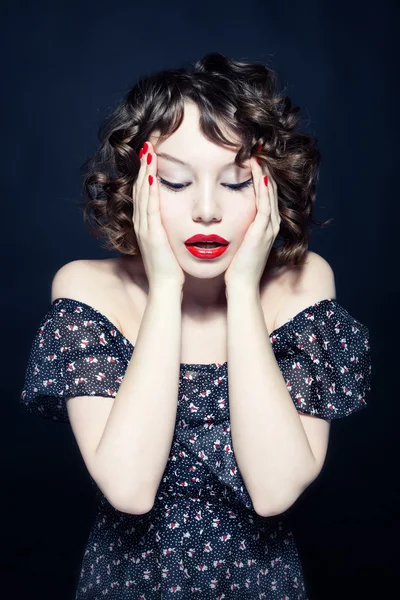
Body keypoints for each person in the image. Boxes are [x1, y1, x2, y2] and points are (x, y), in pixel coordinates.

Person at [20, 53, 372, 599]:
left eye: (235, 184)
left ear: (269, 187)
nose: (206, 210)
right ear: (139, 186)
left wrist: (241, 291)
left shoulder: (304, 282)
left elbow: (275, 491)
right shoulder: (87, 287)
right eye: (177, 182)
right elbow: (130, 489)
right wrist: (166, 288)